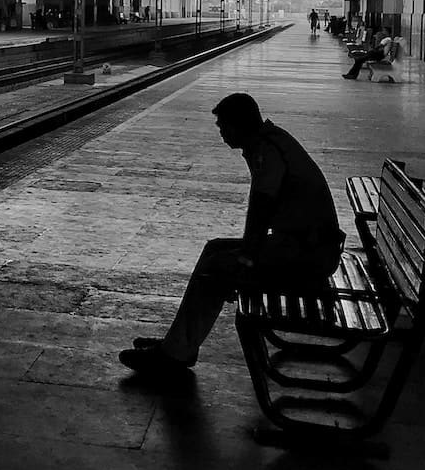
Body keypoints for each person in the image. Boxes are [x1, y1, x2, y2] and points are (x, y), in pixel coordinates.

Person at [119, 92, 343, 376]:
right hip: (305, 245)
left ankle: (176, 353)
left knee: (216, 268)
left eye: (224, 127)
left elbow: (261, 211)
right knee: (215, 249)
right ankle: (178, 344)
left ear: (239, 126)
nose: (222, 134)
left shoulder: (266, 152)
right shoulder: (270, 140)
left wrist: (247, 259)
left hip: (309, 254)